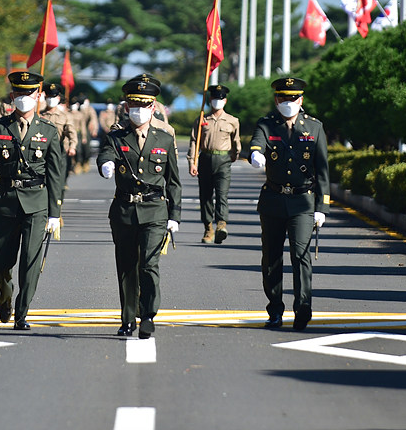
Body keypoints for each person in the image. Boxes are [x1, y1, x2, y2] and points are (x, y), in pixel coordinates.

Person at [0, 70, 65, 330]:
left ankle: (22, 312)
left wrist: (54, 212)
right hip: (6, 199)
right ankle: (6, 293)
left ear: (37, 95)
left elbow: (55, 174)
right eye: (19, 93)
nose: (23, 97)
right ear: (12, 95)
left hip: (36, 202)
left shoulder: (48, 131)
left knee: (30, 261)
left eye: (29, 93)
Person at [96, 77, 181, 339]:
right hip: (124, 209)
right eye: (133, 104)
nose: (138, 109)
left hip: (155, 210)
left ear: (153, 106)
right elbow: (105, 154)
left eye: (143, 104)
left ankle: (147, 315)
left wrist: (174, 215)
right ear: (126, 105)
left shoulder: (164, 138)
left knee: (148, 264)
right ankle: (127, 318)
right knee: (126, 266)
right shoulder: (116, 136)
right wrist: (105, 166)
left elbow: (173, 180)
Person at [248, 77, 329, 331]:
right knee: (271, 258)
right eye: (283, 98)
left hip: (302, 201)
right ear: (276, 100)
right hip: (273, 199)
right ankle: (274, 309)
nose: (288, 102)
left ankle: (303, 308)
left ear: (301, 100)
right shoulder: (267, 124)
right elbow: (257, 142)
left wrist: (321, 207)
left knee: (301, 256)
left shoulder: (314, 127)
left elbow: (323, 170)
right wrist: (255, 154)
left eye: (293, 98)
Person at [188, 84, 241, 244]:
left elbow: (236, 141)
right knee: (205, 196)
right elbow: (194, 141)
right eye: (214, 98)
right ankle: (208, 228)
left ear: (225, 101)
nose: (217, 101)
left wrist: (235, 154)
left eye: (220, 98)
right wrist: (193, 161)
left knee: (222, 194)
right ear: (210, 100)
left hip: (223, 160)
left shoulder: (232, 121)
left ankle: (221, 225)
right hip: (205, 159)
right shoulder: (202, 119)